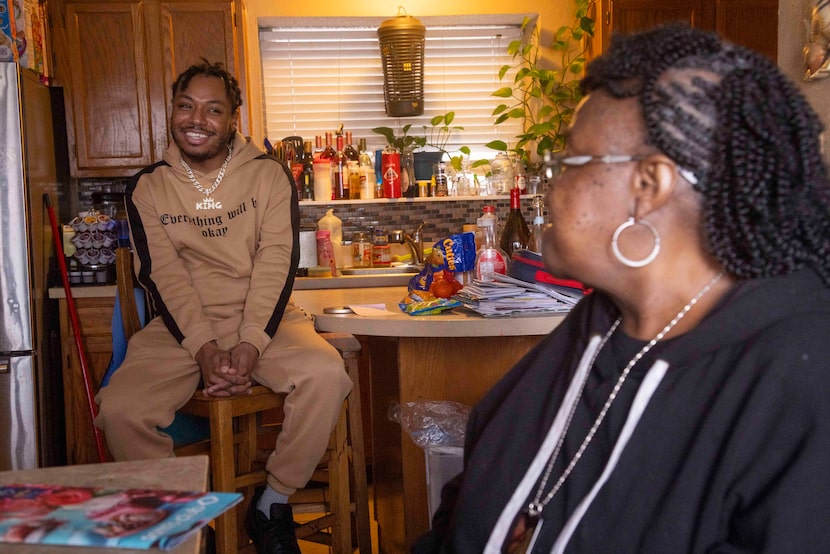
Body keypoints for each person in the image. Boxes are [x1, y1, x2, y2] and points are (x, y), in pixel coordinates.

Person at [414, 24, 830, 553]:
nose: (548, 187)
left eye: (567, 162)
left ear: (647, 186)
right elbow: (469, 500)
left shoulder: (803, 376)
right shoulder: (603, 321)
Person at [94, 60, 352, 554]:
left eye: (213, 110)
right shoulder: (148, 187)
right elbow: (164, 276)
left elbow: (276, 263)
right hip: (180, 327)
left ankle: (271, 503)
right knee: (121, 410)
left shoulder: (269, 176)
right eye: (186, 106)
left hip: (265, 318)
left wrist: (251, 343)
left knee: (326, 375)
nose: (197, 119)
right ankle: (188, 526)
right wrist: (205, 349)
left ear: (233, 118)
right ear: (172, 111)